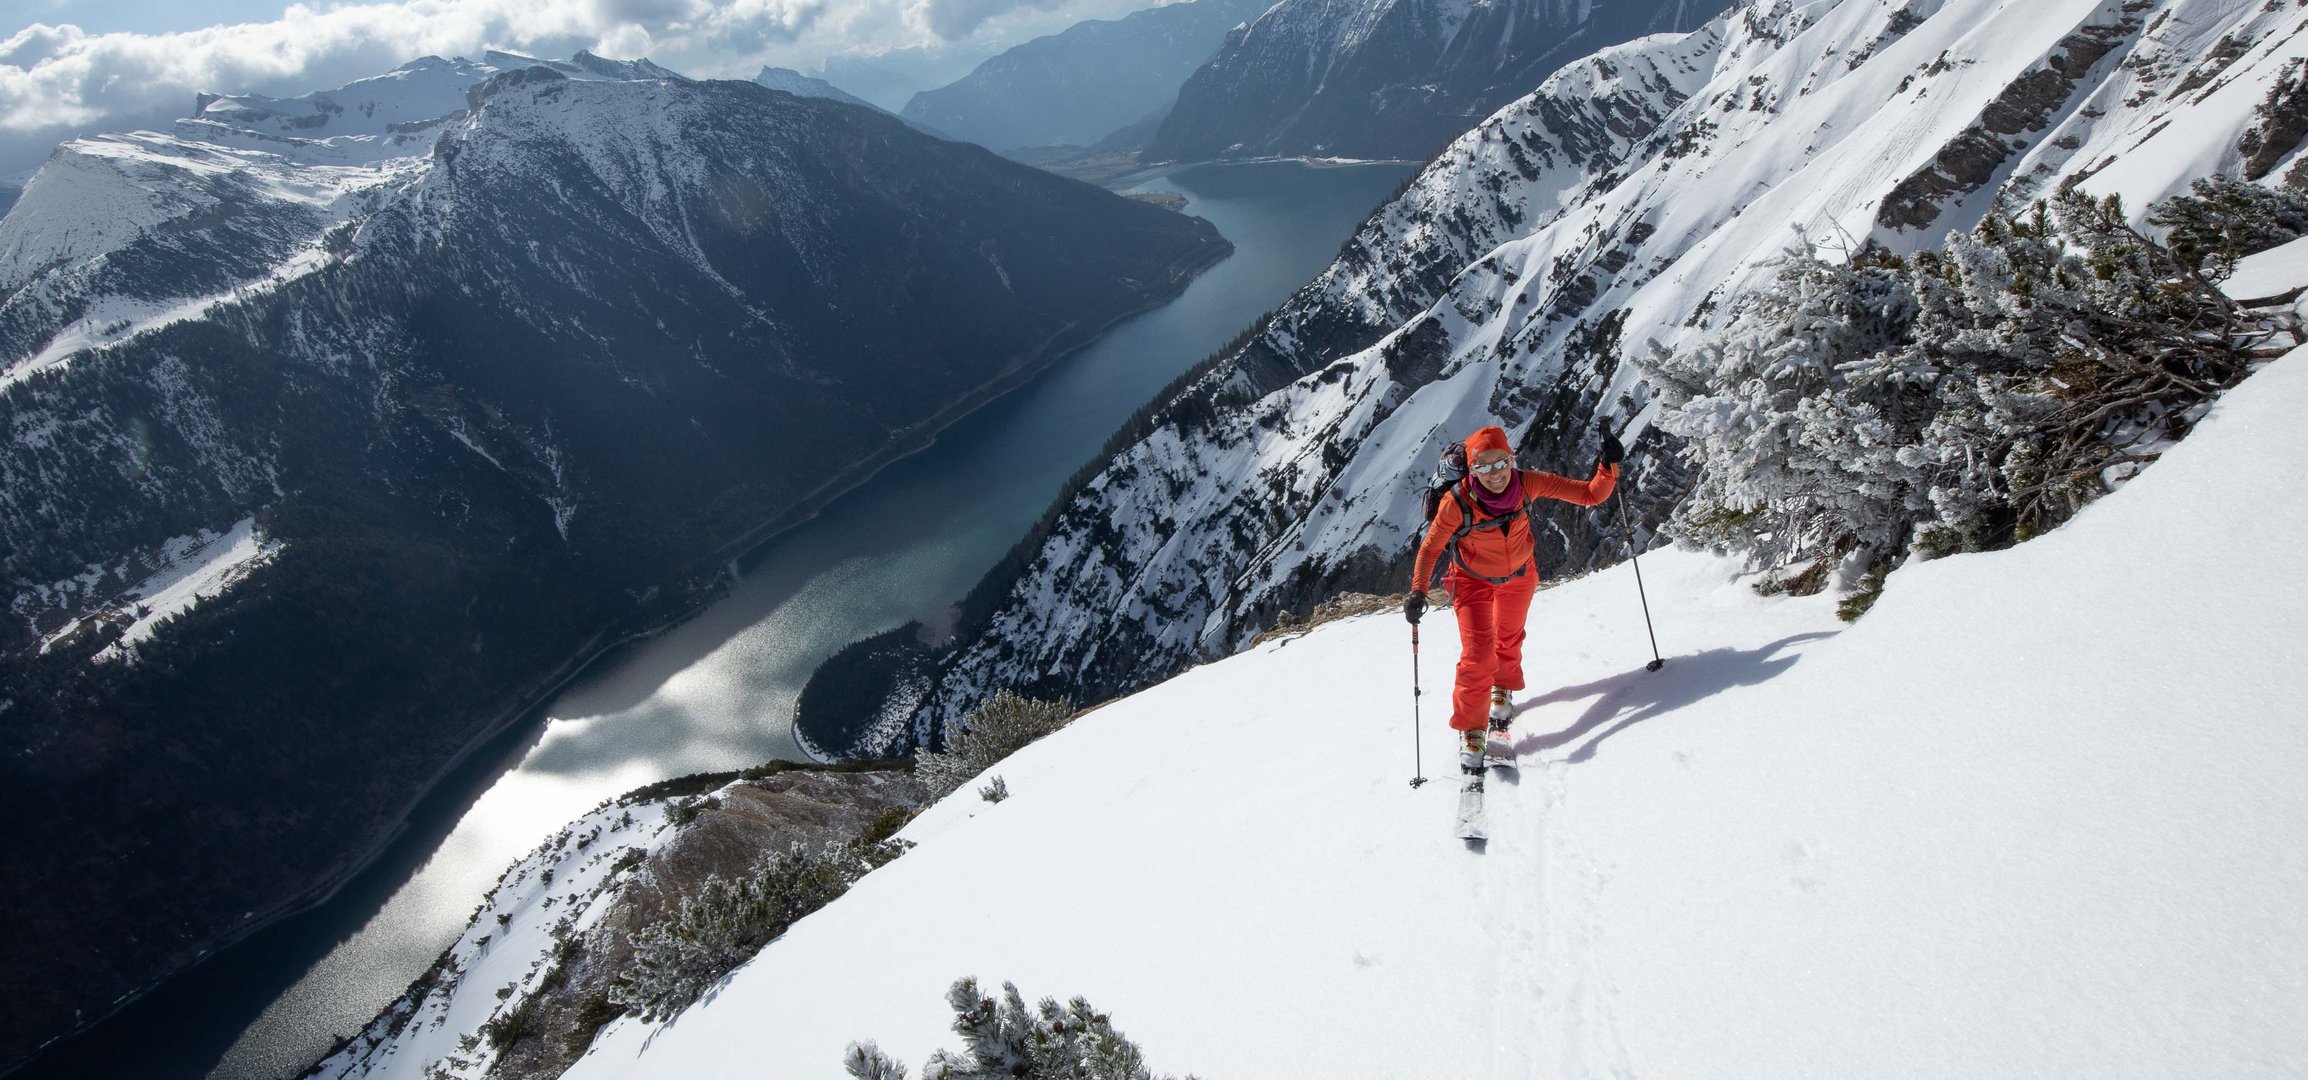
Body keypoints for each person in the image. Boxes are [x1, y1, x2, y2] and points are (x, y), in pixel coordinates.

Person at [1404, 424, 1623, 775]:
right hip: (1471, 582)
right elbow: (1430, 548)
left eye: (1500, 462)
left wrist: (1606, 466)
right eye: (1483, 466)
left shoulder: (1527, 482)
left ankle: (1502, 689)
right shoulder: (1456, 502)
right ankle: (1472, 728)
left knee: (1509, 638)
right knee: (1477, 656)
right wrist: (1418, 589)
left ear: (1512, 459)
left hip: (1519, 576)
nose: (1495, 474)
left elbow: (1590, 495)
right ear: (1471, 470)